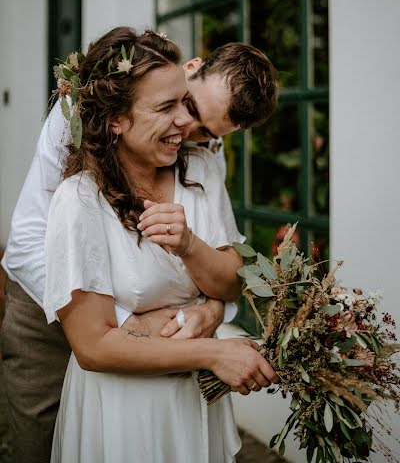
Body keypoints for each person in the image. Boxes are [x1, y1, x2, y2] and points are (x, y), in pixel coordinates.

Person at [0, 33, 278, 462]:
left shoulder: (199, 156)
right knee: (41, 439)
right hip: (43, 308)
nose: (189, 131)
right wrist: (129, 324)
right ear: (190, 72)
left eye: (207, 132)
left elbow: (226, 258)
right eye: (188, 109)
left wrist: (212, 311)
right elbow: (28, 243)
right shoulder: (79, 120)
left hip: (161, 356)